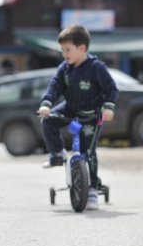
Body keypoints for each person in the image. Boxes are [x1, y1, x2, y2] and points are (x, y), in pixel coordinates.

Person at [37, 24, 119, 210]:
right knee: (48, 120)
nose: (64, 54)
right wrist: (46, 104)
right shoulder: (65, 68)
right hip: (71, 108)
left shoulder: (96, 67)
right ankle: (57, 153)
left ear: (82, 48)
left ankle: (91, 189)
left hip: (93, 115)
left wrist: (109, 107)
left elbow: (111, 89)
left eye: (68, 50)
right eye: (62, 50)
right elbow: (54, 87)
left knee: (87, 152)